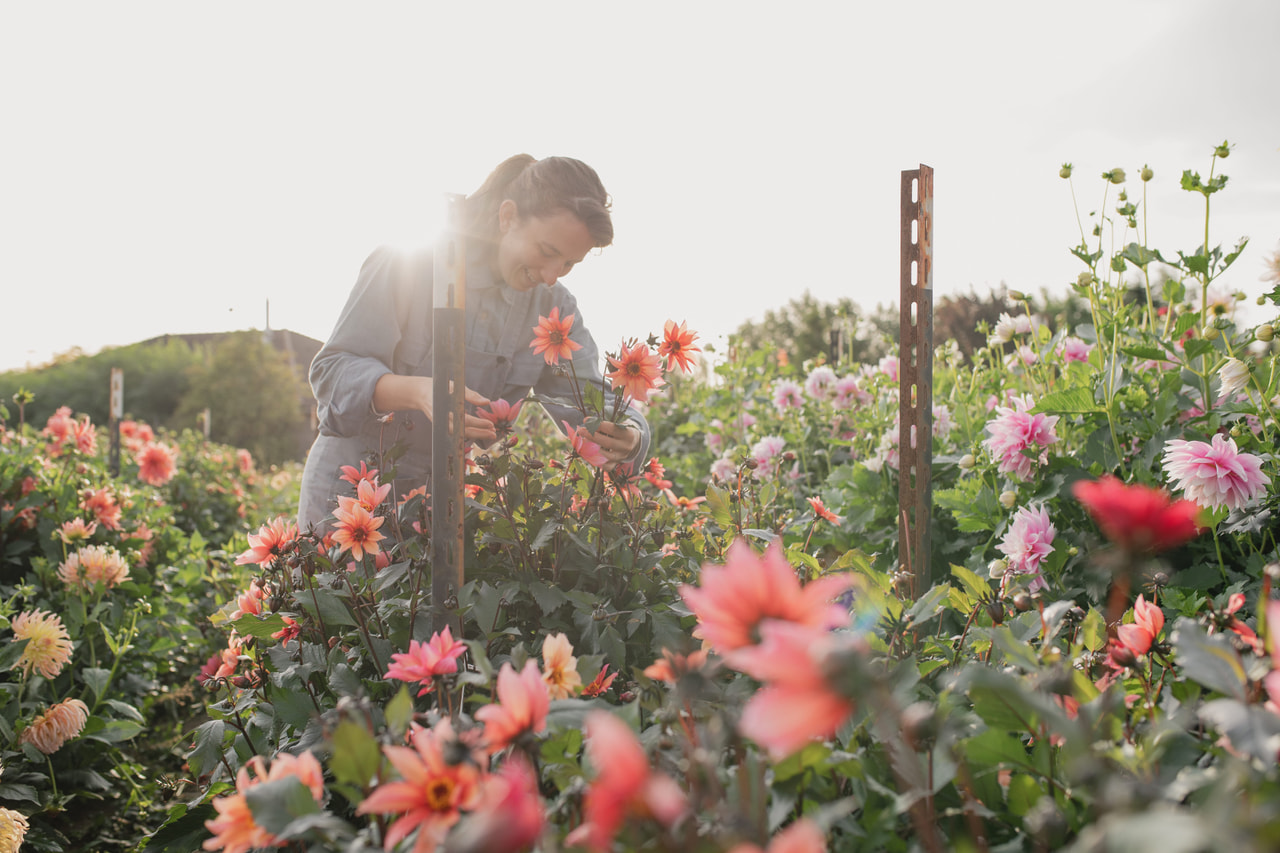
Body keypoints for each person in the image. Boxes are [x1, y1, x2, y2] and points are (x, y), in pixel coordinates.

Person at [298, 154, 650, 531]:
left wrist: (629, 433)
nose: (551, 276)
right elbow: (332, 373)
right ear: (507, 217)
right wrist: (421, 392)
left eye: (568, 264)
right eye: (547, 252)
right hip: (350, 497)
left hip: (440, 507)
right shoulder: (410, 263)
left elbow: (589, 396)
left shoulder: (553, 307)